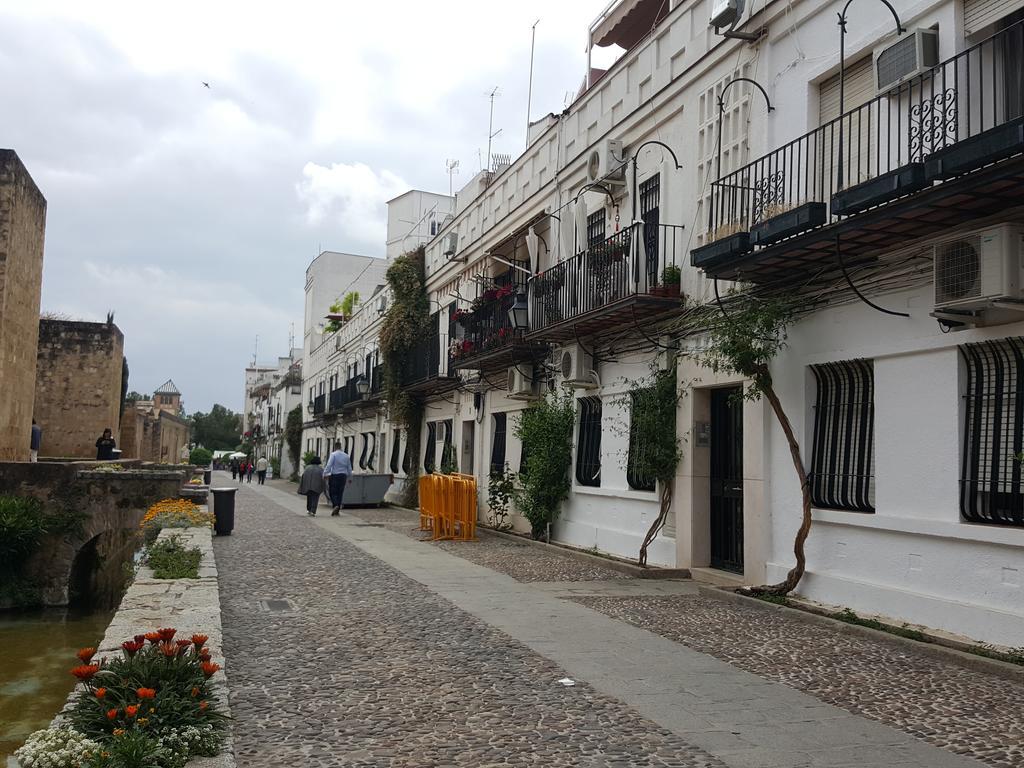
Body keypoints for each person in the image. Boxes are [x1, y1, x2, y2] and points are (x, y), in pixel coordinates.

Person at [322, 441, 352, 516]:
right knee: (340, 492)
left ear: (335, 447)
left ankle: (335, 505)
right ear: (340, 447)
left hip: (335, 475)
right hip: (343, 476)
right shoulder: (346, 456)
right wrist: (350, 477)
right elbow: (349, 467)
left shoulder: (333, 455)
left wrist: (324, 473)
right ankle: (337, 509)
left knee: (332, 492)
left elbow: (329, 465)